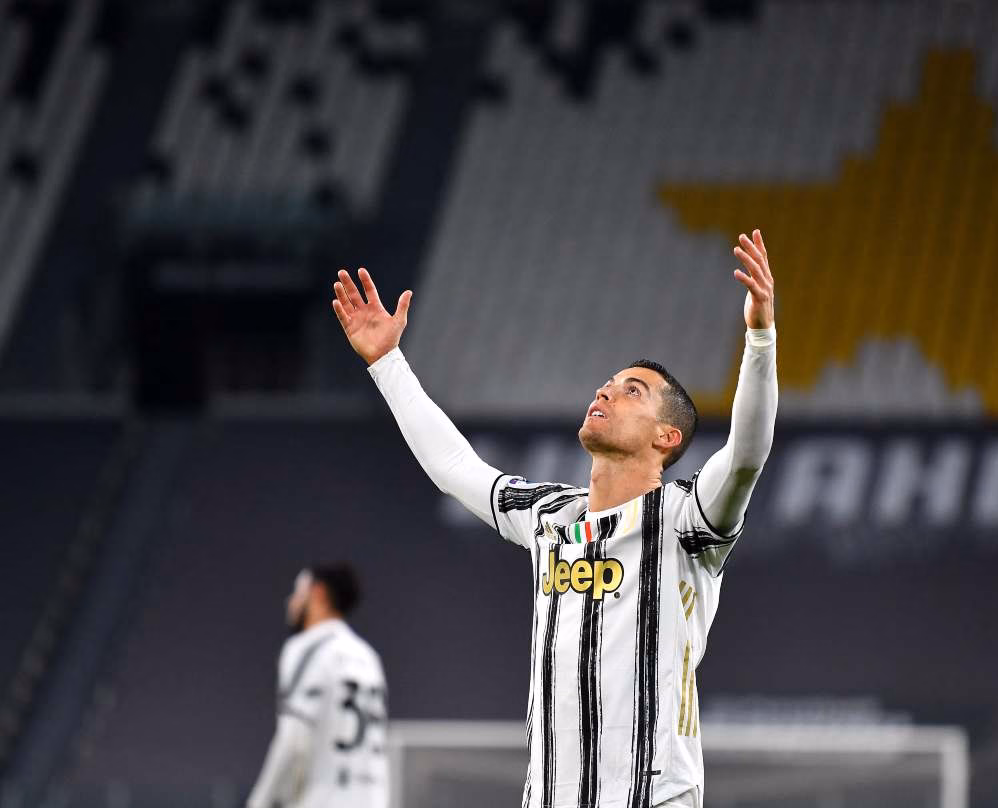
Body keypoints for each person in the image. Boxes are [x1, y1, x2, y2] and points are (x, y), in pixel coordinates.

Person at [331, 230, 777, 808]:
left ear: (667, 437)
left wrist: (760, 337)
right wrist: (388, 363)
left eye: (632, 392)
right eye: (607, 385)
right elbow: (455, 467)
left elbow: (746, 455)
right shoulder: (550, 516)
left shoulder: (685, 521)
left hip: (650, 796)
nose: (606, 393)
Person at [247, 564, 388, 808]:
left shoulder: (309, 648)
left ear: (318, 593)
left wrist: (260, 801)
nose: (291, 602)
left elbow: (294, 739)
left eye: (297, 592)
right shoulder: (368, 656)